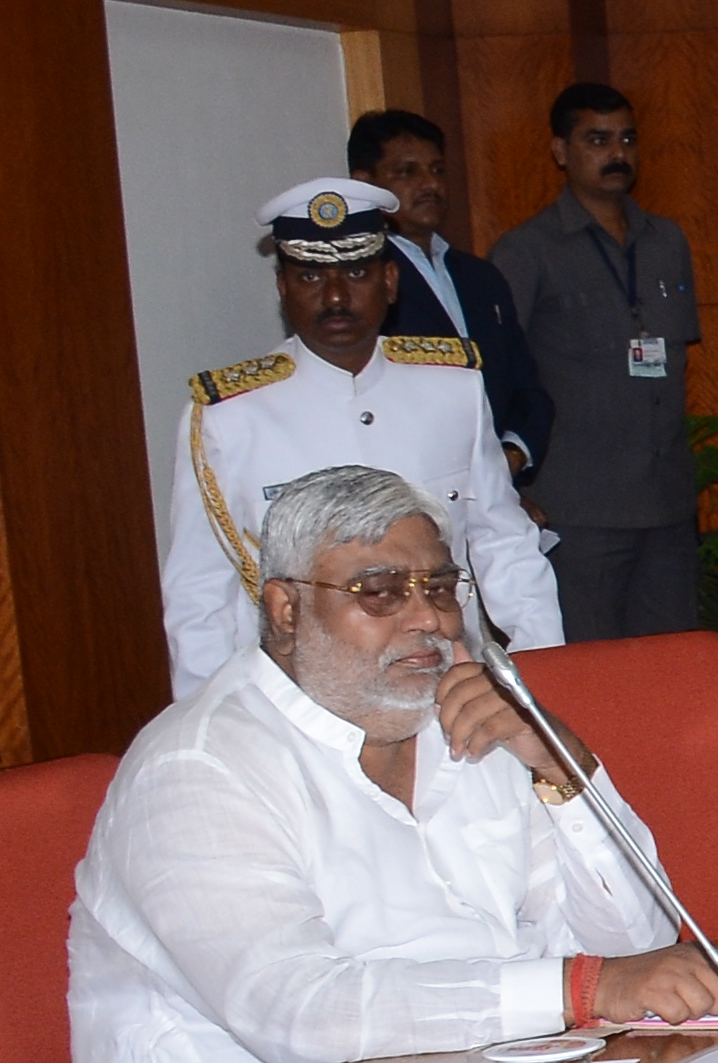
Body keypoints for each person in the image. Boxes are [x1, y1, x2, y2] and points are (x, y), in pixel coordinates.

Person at [71, 466, 718, 1063]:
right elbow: (296, 1014)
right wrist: (579, 989)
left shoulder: (471, 718)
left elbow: (637, 941)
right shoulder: (200, 764)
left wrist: (562, 768)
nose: (428, 618)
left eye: (439, 588)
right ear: (286, 611)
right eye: (380, 593)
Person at [160, 179, 565, 699]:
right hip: (299, 699)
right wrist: (213, 716)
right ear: (282, 287)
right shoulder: (232, 416)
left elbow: (502, 542)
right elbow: (200, 595)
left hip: (442, 683)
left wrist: (542, 677)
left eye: (356, 273)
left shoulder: (452, 388)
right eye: (310, 276)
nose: (335, 297)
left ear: (390, 281)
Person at [492, 80, 707, 640]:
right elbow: (497, 376)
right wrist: (510, 488)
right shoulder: (526, 250)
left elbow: (675, 358)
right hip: (577, 509)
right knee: (592, 668)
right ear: (560, 151)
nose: (617, 153)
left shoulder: (666, 241)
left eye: (627, 139)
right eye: (597, 140)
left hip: (666, 506)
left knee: (671, 666)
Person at [351, 106, 555, 480]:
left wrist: (510, 457)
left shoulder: (481, 277)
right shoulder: (361, 282)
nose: (430, 184)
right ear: (365, 184)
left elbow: (527, 389)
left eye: (438, 170)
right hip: (413, 485)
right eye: (407, 172)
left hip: (498, 486)